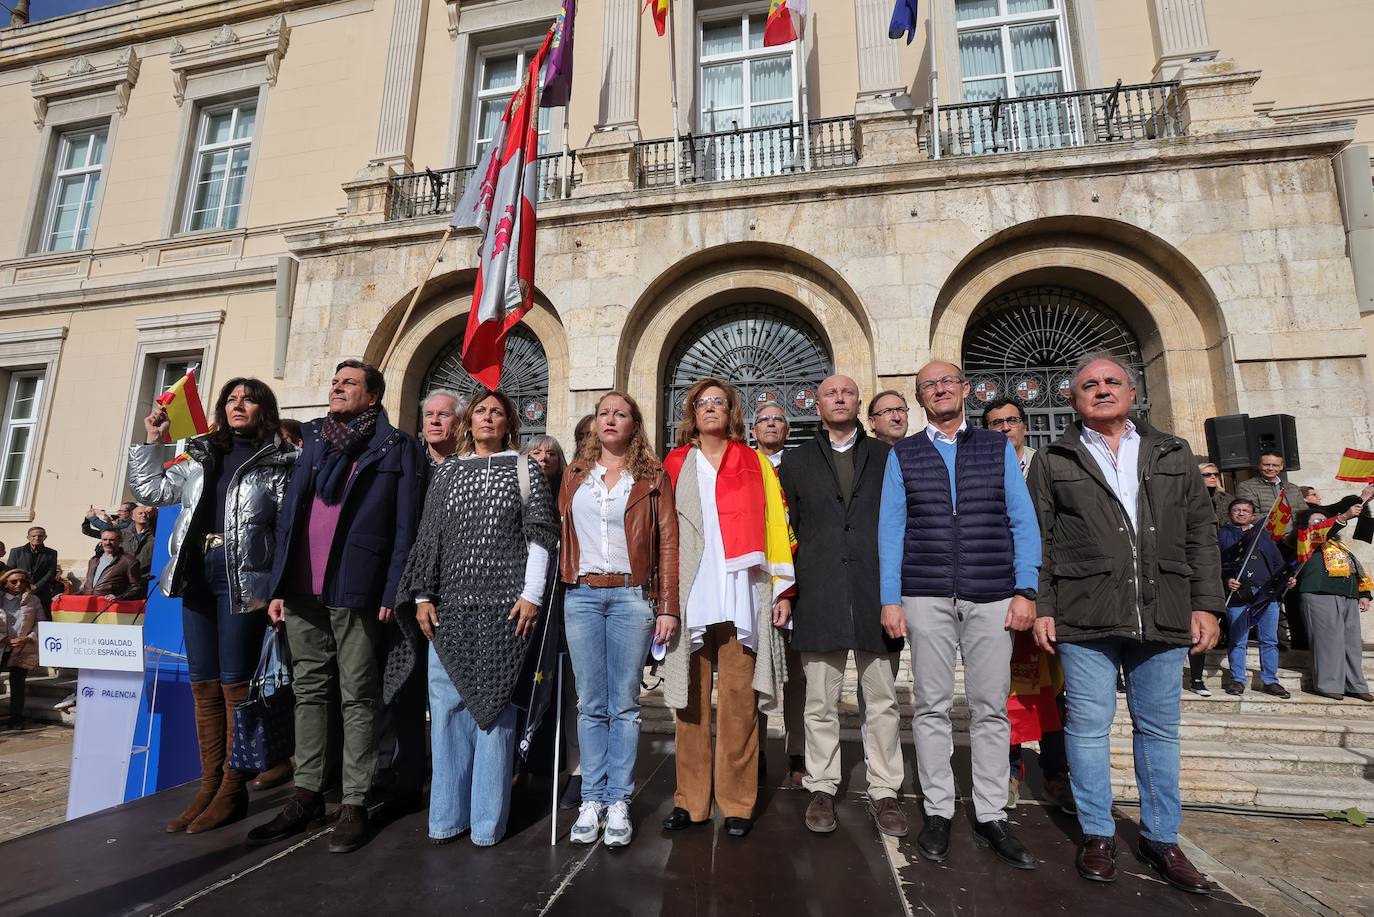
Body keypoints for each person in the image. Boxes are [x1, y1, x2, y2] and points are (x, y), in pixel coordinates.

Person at [1028, 353, 1222, 895]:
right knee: (1086, 730)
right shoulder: (1055, 457)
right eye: (1089, 385)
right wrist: (1044, 606)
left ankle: (1162, 839)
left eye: (1112, 381)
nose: (1102, 390)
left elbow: (1201, 534)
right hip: (1085, 611)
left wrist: (1206, 605)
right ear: (1073, 399)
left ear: (1132, 393)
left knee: (1159, 730)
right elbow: (1039, 539)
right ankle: (1097, 833)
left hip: (1163, 608)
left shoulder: (1172, 452)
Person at [249, 360, 425, 854]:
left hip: (357, 586)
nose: (337, 388)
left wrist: (393, 589)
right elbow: (290, 516)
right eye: (334, 381)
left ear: (372, 396)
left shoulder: (396, 446)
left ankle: (355, 800)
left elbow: (405, 526)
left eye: (349, 383)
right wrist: (279, 585)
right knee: (309, 691)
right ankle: (306, 794)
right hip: (304, 585)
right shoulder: (314, 441)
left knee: (358, 694)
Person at [879, 361, 1040, 870]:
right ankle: (938, 809)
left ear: (966, 390)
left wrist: (1026, 588)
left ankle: (992, 813)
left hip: (991, 592)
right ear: (921, 396)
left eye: (948, 381)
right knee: (930, 706)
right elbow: (891, 528)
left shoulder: (994, 447)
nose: (941, 389)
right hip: (925, 593)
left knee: (990, 707)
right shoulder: (903, 453)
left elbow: (1022, 518)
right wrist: (891, 597)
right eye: (930, 384)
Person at [387, 388, 558, 847]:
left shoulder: (525, 470)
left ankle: (486, 822)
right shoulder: (447, 475)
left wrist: (532, 595)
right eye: (480, 410)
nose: (487, 417)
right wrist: (422, 595)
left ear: (508, 423)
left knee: (496, 713)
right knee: (445, 711)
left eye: (496, 412)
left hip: (508, 612)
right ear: (470, 421)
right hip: (450, 611)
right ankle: (446, 817)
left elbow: (541, 536)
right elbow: (429, 541)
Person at [129, 377, 298, 832]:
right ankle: (209, 783)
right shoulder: (202, 454)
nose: (237, 405)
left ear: (265, 408)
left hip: (243, 581)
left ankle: (233, 786)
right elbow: (152, 492)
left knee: (234, 685)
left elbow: (286, 532)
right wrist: (153, 440)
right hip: (196, 574)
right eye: (231, 398)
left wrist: (280, 587)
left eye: (248, 399)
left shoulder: (282, 460)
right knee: (202, 683)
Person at [659, 378, 794, 839]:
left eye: (719, 401)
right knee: (689, 702)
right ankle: (690, 801)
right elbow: (662, 532)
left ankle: (737, 802)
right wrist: (662, 597)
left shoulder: (755, 461)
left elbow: (776, 524)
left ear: (732, 410)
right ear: (691, 412)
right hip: (691, 592)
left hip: (743, 590)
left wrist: (782, 590)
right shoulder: (675, 462)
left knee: (740, 702)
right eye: (702, 402)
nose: (710, 408)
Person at [777, 375, 906, 838]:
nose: (838, 398)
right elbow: (783, 533)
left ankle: (886, 789)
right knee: (819, 702)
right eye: (830, 393)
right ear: (817, 404)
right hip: (819, 592)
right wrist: (785, 592)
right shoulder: (795, 463)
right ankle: (822, 784)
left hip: (876, 594)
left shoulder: (887, 456)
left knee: (884, 701)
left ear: (858, 404)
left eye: (847, 393)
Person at [557, 391, 678, 847]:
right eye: (604, 412)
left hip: (632, 596)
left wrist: (667, 605)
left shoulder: (651, 476)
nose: (611, 419)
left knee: (624, 704)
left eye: (620, 413)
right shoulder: (574, 476)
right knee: (590, 703)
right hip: (582, 595)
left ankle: (619, 801)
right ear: (595, 423)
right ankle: (592, 799)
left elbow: (668, 542)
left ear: (635, 425)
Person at [985, 395, 1073, 815]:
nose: (1004, 429)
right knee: (1005, 689)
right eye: (995, 423)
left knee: (1057, 691)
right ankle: (1009, 772)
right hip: (1001, 595)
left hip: (1050, 596)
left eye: (1011, 421)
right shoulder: (980, 468)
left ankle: (1058, 774)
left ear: (1024, 425)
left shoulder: (1047, 465)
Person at [750, 401, 806, 785]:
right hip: (754, 584)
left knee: (798, 678)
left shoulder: (801, 466)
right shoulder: (743, 466)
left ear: (787, 430)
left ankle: (798, 753)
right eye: (763, 420)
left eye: (778, 420)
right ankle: (753, 754)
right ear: (753, 431)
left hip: (799, 583)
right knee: (752, 675)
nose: (771, 424)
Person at [1295, 498, 1373, 701]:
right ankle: (1328, 683)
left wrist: (1364, 593)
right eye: (1316, 520)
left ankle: (1354, 684)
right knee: (1327, 640)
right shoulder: (1304, 538)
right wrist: (1345, 516)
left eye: (1323, 519)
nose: (1320, 523)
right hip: (1319, 592)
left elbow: (1356, 567)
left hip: (1347, 595)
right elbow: (1322, 531)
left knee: (1351, 642)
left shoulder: (1339, 545)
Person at [1219, 498, 1292, 698]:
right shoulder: (1223, 534)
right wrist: (1227, 580)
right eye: (1236, 510)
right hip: (1239, 595)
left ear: (1253, 515)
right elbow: (1218, 563)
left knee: (1269, 640)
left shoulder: (1264, 536)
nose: (1241, 513)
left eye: (1245, 511)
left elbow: (1278, 564)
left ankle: (1270, 680)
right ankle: (1237, 679)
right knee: (1238, 639)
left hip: (1266, 594)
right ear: (1229, 513)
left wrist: (1287, 579)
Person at [1, 569, 41, 730]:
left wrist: (27, 638)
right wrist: (4, 639)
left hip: (22, 648)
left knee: (18, 685)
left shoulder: (33, 600)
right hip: (3, 645)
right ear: (5, 583)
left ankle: (16, 718)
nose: (19, 584)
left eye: (23, 581)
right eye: (14, 581)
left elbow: (40, 622)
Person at [1236, 451, 1304, 519]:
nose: (1270, 468)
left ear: (1281, 467)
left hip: (1295, 529)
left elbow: (1304, 513)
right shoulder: (1246, 487)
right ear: (1259, 465)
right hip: (1265, 529)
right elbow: (1249, 516)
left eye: (1275, 465)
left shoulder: (1293, 488)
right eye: (1266, 465)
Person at [82, 529, 144, 601]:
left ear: (120, 541)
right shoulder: (94, 560)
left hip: (111, 608)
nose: (107, 543)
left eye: (112, 540)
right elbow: (88, 586)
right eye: (105, 539)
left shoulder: (129, 561)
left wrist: (119, 597)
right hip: (88, 605)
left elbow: (137, 588)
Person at [8, 528, 58, 612]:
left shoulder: (51, 553)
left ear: (45, 537)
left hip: (41, 592)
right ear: (28, 537)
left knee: (42, 617)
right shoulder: (16, 551)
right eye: (33, 536)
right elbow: (11, 571)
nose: (37, 538)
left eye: (40, 536)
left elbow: (51, 572)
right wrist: (23, 586)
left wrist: (36, 586)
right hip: (19, 590)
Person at [421, 389, 463, 467]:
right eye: (429, 414)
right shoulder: (409, 461)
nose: (434, 421)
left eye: (443, 414)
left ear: (459, 423)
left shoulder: (471, 465)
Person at [121, 505, 157, 571]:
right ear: (132, 517)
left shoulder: (155, 534)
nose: (143, 515)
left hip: (145, 575)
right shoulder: (123, 534)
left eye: (146, 513)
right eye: (140, 513)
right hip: (125, 574)